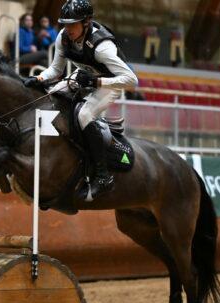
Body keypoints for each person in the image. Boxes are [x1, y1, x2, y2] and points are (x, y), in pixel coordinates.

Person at [24, 0, 138, 199]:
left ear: (87, 22)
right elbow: (56, 70)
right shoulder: (63, 37)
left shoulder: (103, 47)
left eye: (72, 24)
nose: (68, 29)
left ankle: (103, 177)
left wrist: (96, 82)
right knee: (51, 95)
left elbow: (131, 80)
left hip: (109, 82)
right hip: (84, 75)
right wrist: (39, 78)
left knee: (84, 115)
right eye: (65, 24)